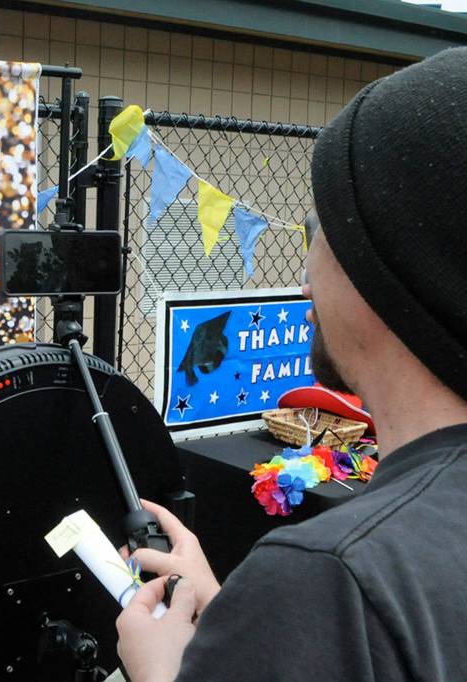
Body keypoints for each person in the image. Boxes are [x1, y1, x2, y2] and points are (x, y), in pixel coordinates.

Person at [117, 47, 467, 682]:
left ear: (387, 267)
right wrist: (244, 622)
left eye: (321, 228)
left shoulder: (334, 574)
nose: (303, 278)